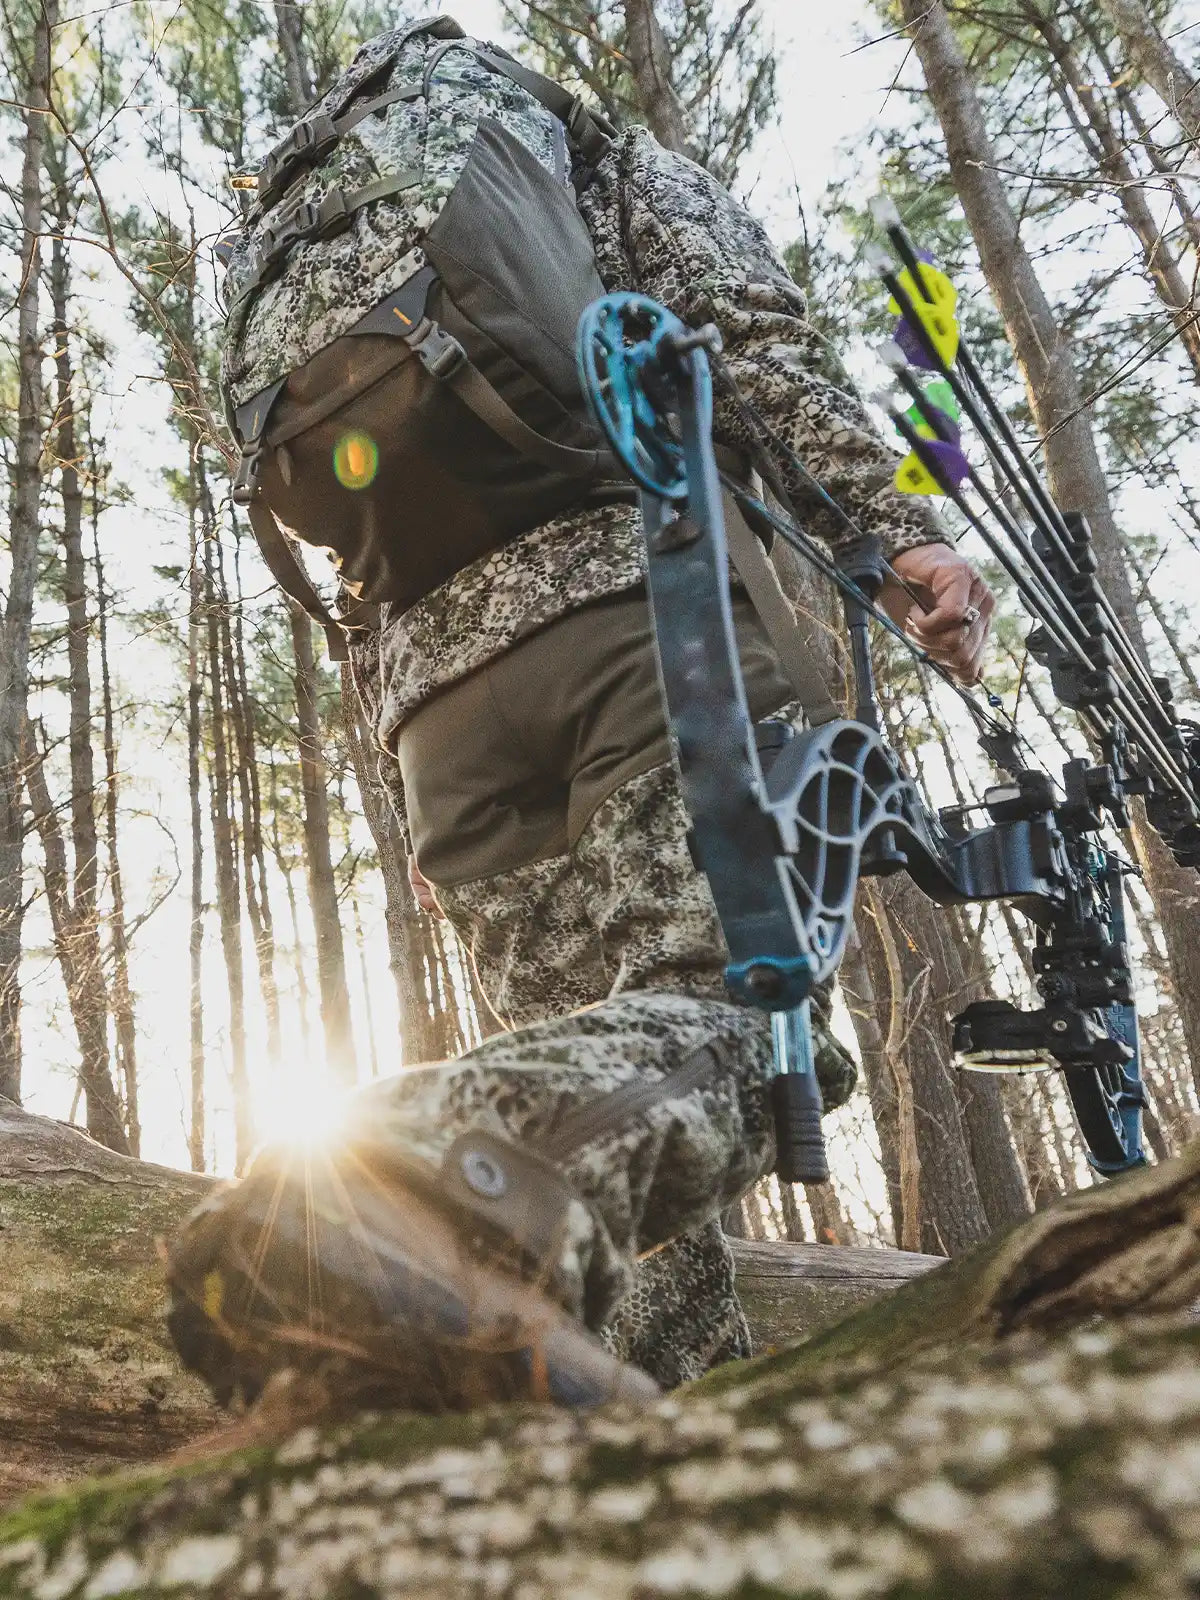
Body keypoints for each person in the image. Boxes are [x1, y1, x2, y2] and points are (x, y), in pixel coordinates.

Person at [167, 92, 994, 1409]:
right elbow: (744, 332)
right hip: (636, 616)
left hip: (438, 713)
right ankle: (414, 1172)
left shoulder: (298, 238)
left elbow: (342, 530)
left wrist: (406, 772)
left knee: (629, 1123)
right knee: (738, 1019)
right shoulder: (578, 147)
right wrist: (894, 527)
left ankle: (650, 1478)